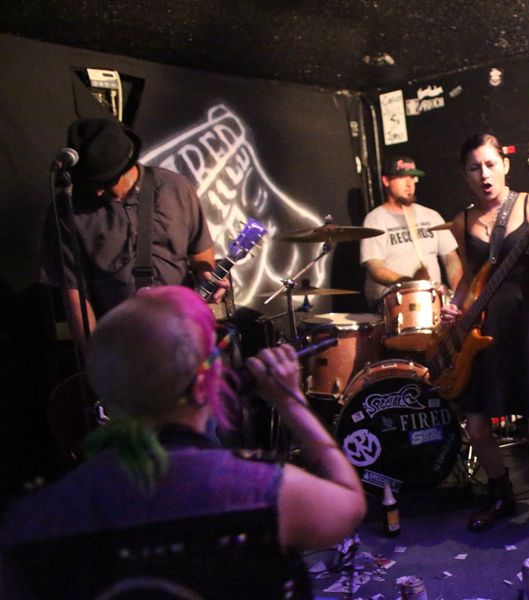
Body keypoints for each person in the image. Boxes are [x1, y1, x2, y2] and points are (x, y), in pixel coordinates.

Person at [0, 286, 366, 597]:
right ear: (204, 384)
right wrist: (291, 402)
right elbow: (348, 504)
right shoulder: (263, 489)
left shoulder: (29, 523)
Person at [440, 133, 529, 544]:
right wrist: (454, 306)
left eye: (490, 164)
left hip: (528, 324)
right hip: (482, 331)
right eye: (474, 168)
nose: (484, 174)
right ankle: (500, 491)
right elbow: (467, 278)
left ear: (505, 164)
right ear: (465, 175)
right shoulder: (461, 221)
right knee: (477, 425)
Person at [46, 117, 229, 354]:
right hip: (121, 344)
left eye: (105, 182)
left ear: (125, 166)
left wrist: (207, 275)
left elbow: (200, 255)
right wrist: (97, 360)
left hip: (183, 336)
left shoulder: (176, 188)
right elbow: (74, 294)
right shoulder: (69, 207)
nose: (98, 191)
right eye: (91, 184)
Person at [360, 155, 462, 309]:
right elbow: (375, 267)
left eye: (412, 177)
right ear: (386, 181)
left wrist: (458, 297)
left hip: (432, 302)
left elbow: (450, 258)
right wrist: (413, 284)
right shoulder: (375, 220)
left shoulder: (431, 216)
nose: (409, 184)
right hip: (394, 304)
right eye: (402, 177)